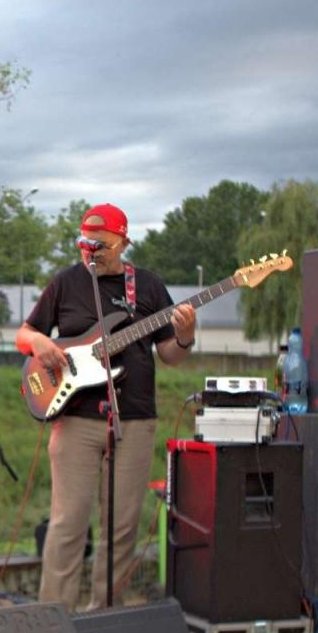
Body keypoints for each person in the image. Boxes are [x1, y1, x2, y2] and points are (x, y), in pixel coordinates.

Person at [16, 203, 196, 611]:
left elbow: (170, 355)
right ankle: (53, 618)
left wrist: (185, 335)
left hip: (133, 419)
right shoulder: (65, 282)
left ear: (122, 242)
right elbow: (24, 333)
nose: (90, 250)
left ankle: (104, 617)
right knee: (69, 523)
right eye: (84, 242)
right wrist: (41, 343)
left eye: (100, 244)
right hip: (76, 419)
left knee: (122, 527)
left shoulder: (147, 287)